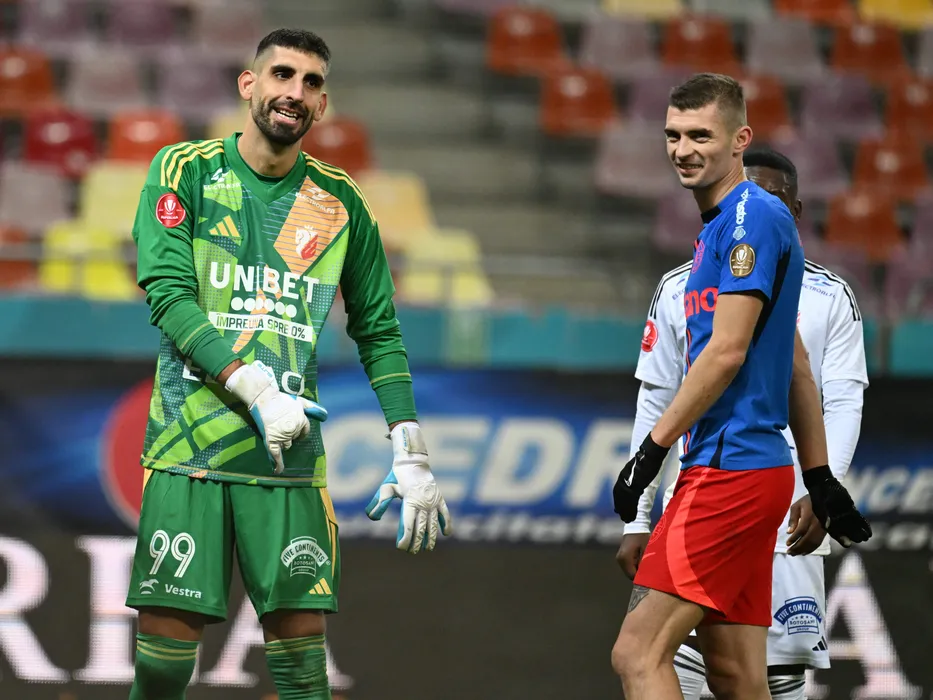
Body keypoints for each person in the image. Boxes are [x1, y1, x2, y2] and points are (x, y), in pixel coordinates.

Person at [124, 28, 452, 700]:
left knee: (303, 672)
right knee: (161, 667)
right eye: (281, 74)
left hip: (288, 459)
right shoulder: (185, 170)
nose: (294, 92)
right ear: (249, 84)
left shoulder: (338, 203)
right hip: (190, 448)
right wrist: (254, 389)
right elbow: (169, 297)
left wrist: (410, 449)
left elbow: (378, 330)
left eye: (310, 83)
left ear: (322, 105)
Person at [609, 73, 871, 700]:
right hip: (755, 472)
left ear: (739, 140)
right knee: (734, 674)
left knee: (637, 654)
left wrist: (649, 453)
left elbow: (726, 353)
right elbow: (796, 365)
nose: (683, 150)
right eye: (673, 135)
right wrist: (819, 477)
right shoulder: (724, 226)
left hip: (727, 471)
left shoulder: (750, 217)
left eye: (701, 135)